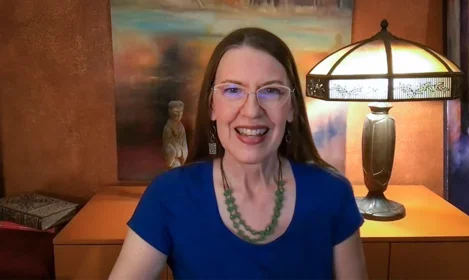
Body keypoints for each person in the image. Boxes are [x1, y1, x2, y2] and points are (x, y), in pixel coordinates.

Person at [109, 28, 367, 280]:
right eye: (233, 90)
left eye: (271, 90)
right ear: (212, 106)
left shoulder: (332, 193)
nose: (252, 110)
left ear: (291, 108)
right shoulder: (169, 195)